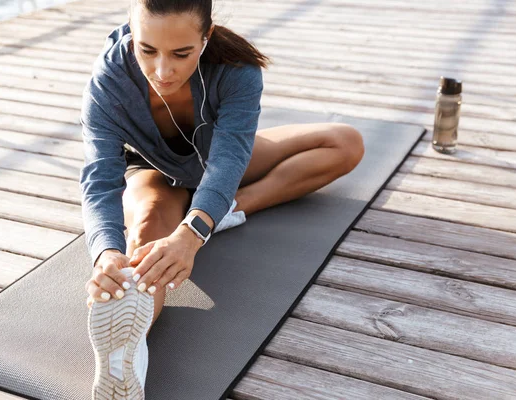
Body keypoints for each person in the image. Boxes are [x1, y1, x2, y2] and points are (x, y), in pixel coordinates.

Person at [80, 0, 365, 398]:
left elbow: (229, 160)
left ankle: (229, 210)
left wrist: (193, 230)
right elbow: (100, 178)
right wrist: (106, 253)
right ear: (130, 31)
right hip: (152, 171)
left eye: (181, 53)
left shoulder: (236, 69)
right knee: (144, 234)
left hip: (218, 162)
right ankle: (121, 354)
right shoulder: (109, 78)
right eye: (147, 50)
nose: (163, 71)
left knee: (345, 143)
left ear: (206, 36)